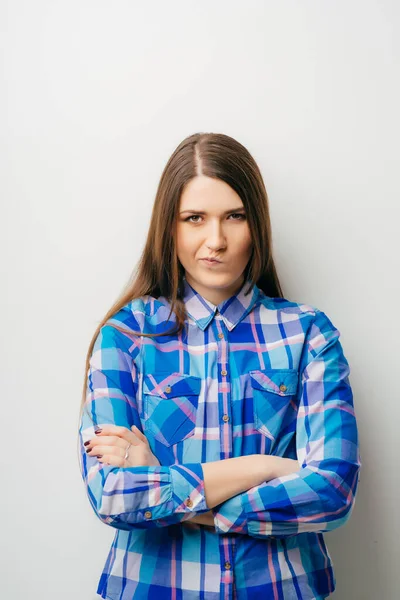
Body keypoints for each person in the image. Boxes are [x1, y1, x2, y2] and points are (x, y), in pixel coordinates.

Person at [77, 132, 362, 600]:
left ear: (257, 224)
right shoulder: (127, 336)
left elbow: (333, 490)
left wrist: (172, 491)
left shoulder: (308, 333)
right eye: (195, 218)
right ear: (169, 228)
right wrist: (267, 466)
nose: (216, 240)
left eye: (235, 216)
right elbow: (113, 495)